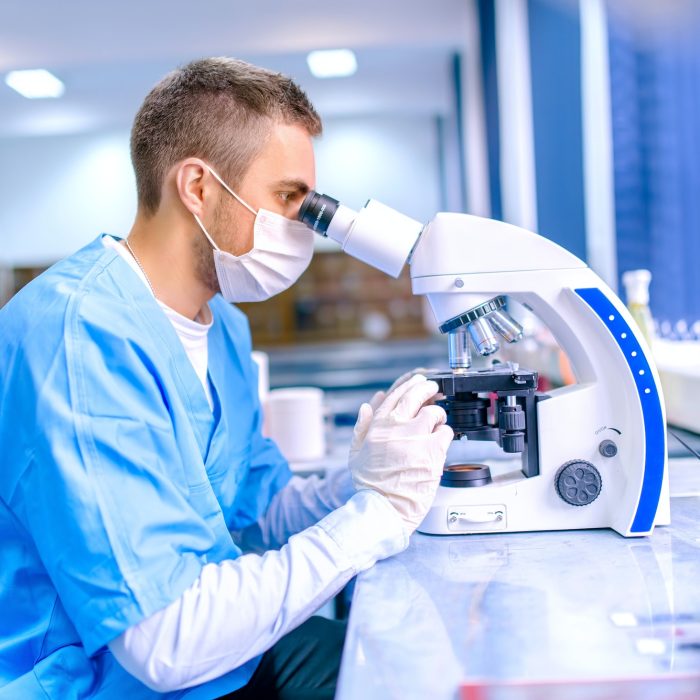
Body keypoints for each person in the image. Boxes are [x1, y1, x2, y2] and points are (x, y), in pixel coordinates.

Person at [0, 57, 453, 699]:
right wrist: (374, 518)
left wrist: (367, 480)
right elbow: (164, 642)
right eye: (288, 199)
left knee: (407, 662)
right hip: (110, 682)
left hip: (221, 662)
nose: (302, 227)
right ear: (198, 187)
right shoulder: (77, 338)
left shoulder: (224, 332)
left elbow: (254, 512)